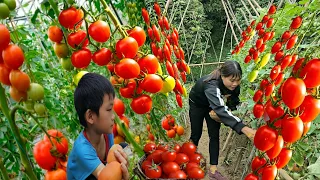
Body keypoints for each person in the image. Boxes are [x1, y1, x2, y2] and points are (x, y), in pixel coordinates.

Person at [188, 60, 256, 180]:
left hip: (212, 107)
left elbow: (232, 104)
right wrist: (243, 128)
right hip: (197, 104)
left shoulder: (234, 86)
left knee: (214, 135)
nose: (235, 84)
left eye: (238, 80)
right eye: (232, 80)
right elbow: (220, 108)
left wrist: (226, 113)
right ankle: (188, 161)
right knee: (196, 134)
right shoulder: (211, 85)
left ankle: (213, 169)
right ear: (222, 76)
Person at [67, 73, 129, 180]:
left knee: (119, 147)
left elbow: (110, 163)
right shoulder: (82, 149)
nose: (113, 116)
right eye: (109, 110)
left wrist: (118, 167)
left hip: (98, 172)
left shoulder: (106, 134)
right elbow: (104, 176)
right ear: (90, 116)